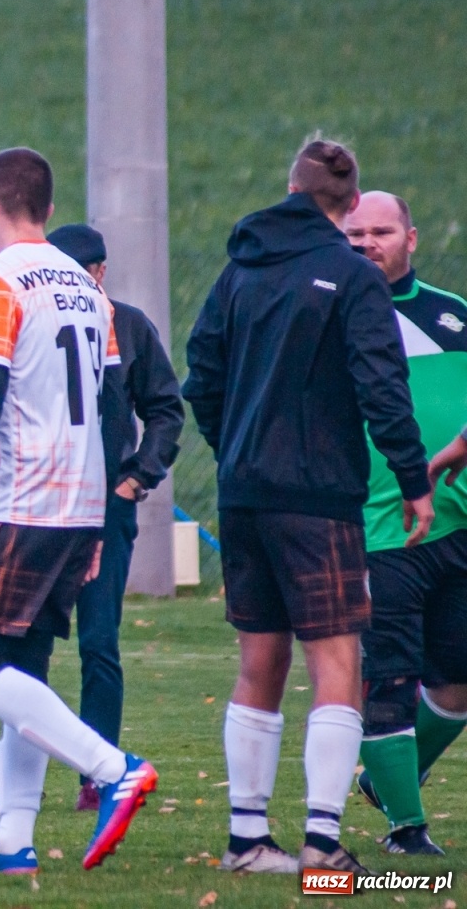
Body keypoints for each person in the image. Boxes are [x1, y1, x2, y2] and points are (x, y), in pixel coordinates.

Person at [0, 147, 159, 877]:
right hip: (79, 503)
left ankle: (112, 768)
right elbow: (113, 411)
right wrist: (100, 514)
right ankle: (13, 842)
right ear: (45, 206)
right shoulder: (85, 285)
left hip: (24, 500)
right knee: (23, 666)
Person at [183, 141, 434, 876]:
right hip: (320, 499)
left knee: (259, 657)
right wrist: (413, 479)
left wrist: (233, 448)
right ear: (350, 205)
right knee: (338, 660)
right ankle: (323, 841)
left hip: (244, 493)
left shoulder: (240, 270)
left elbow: (202, 376)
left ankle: (247, 840)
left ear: (290, 187)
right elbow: (381, 387)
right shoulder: (355, 279)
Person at [342, 191, 467, 854]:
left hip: (456, 527)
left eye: (381, 231)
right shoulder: (328, 318)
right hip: (378, 531)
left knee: (459, 674)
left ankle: (394, 775)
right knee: (388, 676)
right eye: (353, 232)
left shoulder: (454, 315)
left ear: (411, 239)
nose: (366, 242)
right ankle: (405, 830)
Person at [45, 224, 185, 813]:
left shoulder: (128, 327)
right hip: (42, 505)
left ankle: (98, 776)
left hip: (105, 508)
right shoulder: (35, 326)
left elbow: (166, 409)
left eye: (74, 273)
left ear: (99, 273)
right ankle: (22, 787)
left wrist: (136, 479)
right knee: (22, 648)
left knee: (99, 642)